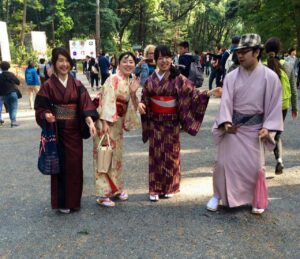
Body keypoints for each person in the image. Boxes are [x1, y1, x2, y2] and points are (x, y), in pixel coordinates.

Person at [206, 34, 283, 215]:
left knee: (255, 166)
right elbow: (226, 102)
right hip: (233, 127)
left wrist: (269, 128)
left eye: (244, 52)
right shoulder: (231, 77)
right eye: (238, 52)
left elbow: (274, 105)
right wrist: (225, 122)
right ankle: (218, 195)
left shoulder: (270, 77)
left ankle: (256, 198)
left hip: (256, 129)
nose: (239, 56)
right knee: (223, 163)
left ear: (256, 52)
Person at [138, 45, 221, 202]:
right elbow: (145, 99)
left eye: (167, 57)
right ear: (155, 60)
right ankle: (155, 187)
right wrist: (141, 105)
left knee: (171, 155)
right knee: (155, 155)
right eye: (160, 58)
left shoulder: (178, 78)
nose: (164, 61)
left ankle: (170, 186)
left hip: (172, 123)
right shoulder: (150, 80)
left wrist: (209, 93)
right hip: (156, 123)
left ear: (172, 59)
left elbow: (194, 94)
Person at [34, 47, 99, 214]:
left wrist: (89, 120)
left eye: (66, 61)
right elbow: (40, 108)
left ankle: (74, 201)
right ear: (54, 64)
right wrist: (46, 114)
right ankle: (62, 201)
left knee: (75, 165)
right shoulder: (48, 86)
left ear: (70, 63)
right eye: (60, 61)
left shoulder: (76, 84)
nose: (64, 64)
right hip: (57, 131)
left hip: (74, 131)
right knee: (60, 166)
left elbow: (85, 106)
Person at [93, 52, 140, 207]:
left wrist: (133, 92)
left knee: (117, 157)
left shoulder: (130, 80)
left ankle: (117, 188)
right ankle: (102, 194)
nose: (128, 64)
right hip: (107, 122)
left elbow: (132, 104)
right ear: (118, 64)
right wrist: (105, 121)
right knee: (104, 156)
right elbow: (106, 99)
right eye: (125, 61)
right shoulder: (113, 79)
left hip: (118, 122)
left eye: (131, 62)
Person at [265, 37, 298, 175]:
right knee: (277, 133)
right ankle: (279, 160)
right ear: (279, 50)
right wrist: (294, 107)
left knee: (265, 132)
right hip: (283, 104)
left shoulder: (263, 68)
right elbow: (293, 88)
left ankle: (257, 163)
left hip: (268, 105)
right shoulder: (288, 65)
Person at [0, 61, 21, 127]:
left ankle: (12, 121)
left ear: (1, 68)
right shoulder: (11, 74)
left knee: (9, 107)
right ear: (8, 67)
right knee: (14, 107)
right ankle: (13, 121)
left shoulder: (0, 76)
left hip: (4, 94)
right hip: (12, 92)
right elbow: (18, 82)